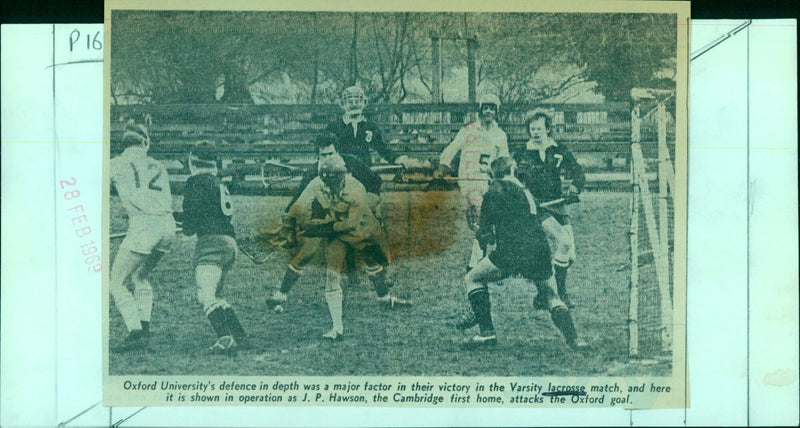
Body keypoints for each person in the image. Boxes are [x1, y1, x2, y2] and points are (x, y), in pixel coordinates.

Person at [269, 154, 409, 339]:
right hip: (335, 230)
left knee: (373, 263)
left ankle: (384, 298)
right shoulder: (316, 183)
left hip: (362, 227)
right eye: (326, 183)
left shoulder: (356, 188)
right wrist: (287, 227)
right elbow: (297, 207)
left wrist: (319, 228)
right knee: (332, 273)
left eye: (333, 183)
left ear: (343, 177)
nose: (328, 188)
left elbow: (351, 225)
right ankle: (337, 328)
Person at [456, 157, 588, 351]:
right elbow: (546, 225)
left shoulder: (493, 192)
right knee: (551, 296)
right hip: (540, 251)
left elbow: (486, 237)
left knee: (472, 279)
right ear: (512, 170)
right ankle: (574, 339)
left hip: (510, 252)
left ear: (493, 174)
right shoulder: (528, 194)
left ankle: (487, 333)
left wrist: (480, 227)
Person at [109, 121, 176, 352]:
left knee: (115, 281)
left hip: (143, 225)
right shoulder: (158, 164)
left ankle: (135, 331)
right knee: (140, 277)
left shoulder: (116, 163)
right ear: (144, 143)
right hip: (168, 226)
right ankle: (144, 327)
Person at [514, 111, 585, 308]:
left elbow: (578, 171)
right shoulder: (522, 154)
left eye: (539, 128)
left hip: (558, 206)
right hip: (537, 208)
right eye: (532, 129)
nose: (535, 132)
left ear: (547, 128)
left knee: (570, 255)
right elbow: (514, 180)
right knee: (563, 242)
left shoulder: (558, 150)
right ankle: (558, 294)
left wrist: (574, 187)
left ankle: (544, 293)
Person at [179, 148, 247, 355]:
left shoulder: (195, 182)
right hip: (229, 244)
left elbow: (191, 222)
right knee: (216, 294)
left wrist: (182, 223)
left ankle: (225, 338)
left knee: (205, 295)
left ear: (193, 162)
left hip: (211, 244)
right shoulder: (218, 184)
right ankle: (240, 335)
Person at [438, 93, 509, 271]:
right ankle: (476, 262)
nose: (488, 111)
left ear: (496, 112)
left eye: (492, 108)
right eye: (485, 107)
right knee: (481, 216)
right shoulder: (469, 130)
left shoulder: (500, 134)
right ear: (480, 110)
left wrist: (502, 174)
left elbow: (504, 159)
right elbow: (452, 148)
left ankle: (477, 261)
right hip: (469, 180)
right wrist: (443, 165)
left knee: (486, 222)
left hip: (488, 181)